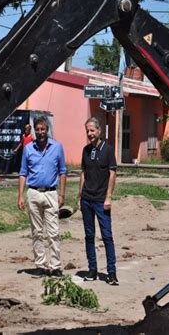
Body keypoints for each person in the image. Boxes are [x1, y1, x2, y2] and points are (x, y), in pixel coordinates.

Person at [18, 115, 67, 277]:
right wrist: (20, 196)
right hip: (33, 193)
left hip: (51, 193)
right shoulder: (28, 149)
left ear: (47, 129)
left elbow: (63, 172)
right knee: (37, 232)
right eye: (37, 129)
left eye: (43, 129)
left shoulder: (57, 147)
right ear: (34, 130)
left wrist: (61, 194)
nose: (40, 132)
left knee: (53, 232)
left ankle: (55, 266)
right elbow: (23, 173)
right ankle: (39, 264)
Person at [78, 117, 119, 285]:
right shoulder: (86, 150)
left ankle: (111, 272)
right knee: (89, 236)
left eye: (92, 130)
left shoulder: (108, 150)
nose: (89, 134)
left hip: (101, 201)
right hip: (87, 199)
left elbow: (112, 174)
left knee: (107, 236)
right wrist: (80, 195)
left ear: (99, 131)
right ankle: (92, 269)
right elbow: (83, 173)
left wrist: (108, 197)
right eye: (87, 131)